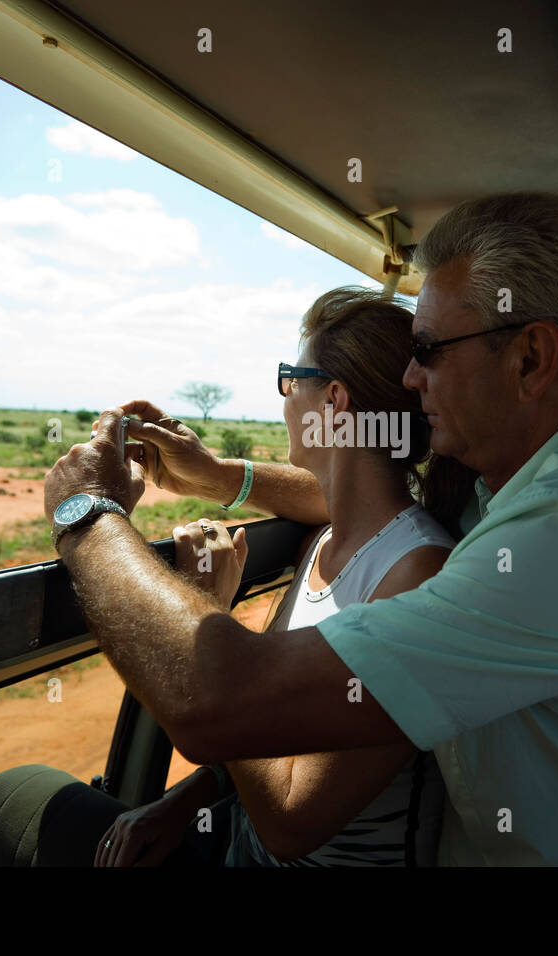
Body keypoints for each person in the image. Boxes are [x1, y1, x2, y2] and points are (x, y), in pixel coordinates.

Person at [0, 192, 558, 865]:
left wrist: (87, 513)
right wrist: (225, 478)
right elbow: (368, 503)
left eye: (432, 349)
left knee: (7, 813)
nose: (412, 375)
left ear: (532, 359)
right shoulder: (557, 484)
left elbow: (218, 702)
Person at [96, 288, 455, 867]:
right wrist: (188, 798)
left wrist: (209, 608)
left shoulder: (415, 576)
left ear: (335, 401)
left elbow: (291, 821)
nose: (284, 398)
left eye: (291, 378)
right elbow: (283, 731)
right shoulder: (325, 540)